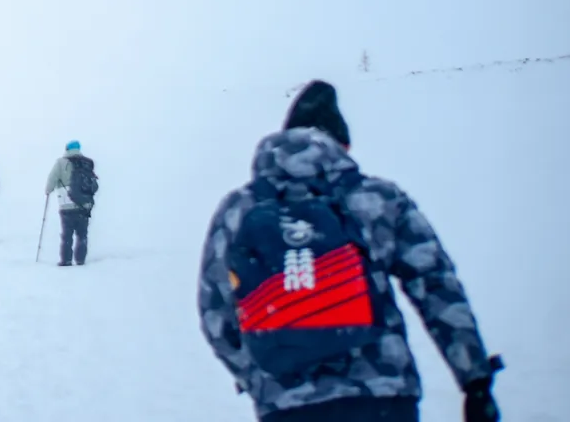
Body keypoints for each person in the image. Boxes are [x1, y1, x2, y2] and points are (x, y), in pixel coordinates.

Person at [198, 81, 502, 422]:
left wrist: (258, 376)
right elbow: (435, 285)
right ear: (340, 145)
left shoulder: (238, 209)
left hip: (287, 405)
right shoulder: (375, 198)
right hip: (383, 398)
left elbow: (216, 313)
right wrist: (474, 379)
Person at [44, 140, 96, 266]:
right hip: (84, 206)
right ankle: (80, 259)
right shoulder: (87, 163)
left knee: (67, 235)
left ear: (66, 148)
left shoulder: (61, 163)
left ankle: (66, 260)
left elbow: (52, 179)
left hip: (67, 205)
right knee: (82, 234)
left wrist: (48, 190)